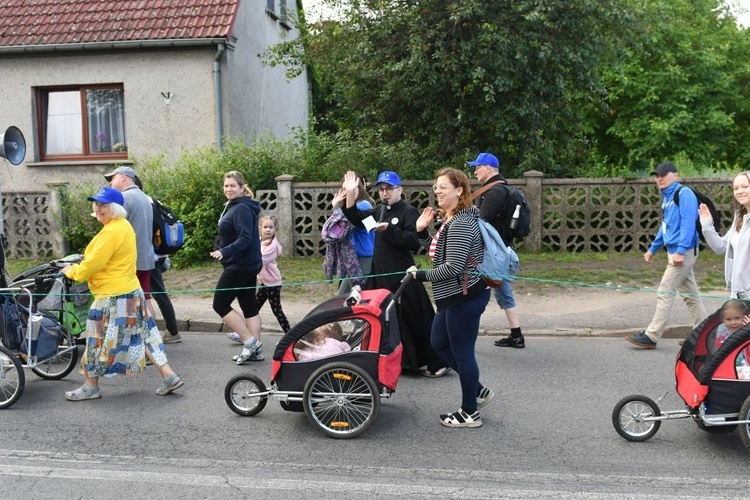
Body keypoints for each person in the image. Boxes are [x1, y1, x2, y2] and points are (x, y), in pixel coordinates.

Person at [61, 187, 184, 400]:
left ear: (115, 208)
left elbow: (91, 265)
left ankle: (90, 386)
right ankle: (169, 374)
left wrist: (71, 271)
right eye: (96, 204)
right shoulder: (124, 226)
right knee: (145, 334)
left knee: (95, 339)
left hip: (110, 296)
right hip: (130, 290)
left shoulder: (109, 233)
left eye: (104, 205)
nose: (98, 208)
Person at [341, 170, 449, 377]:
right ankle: (391, 361)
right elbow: (355, 218)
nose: (385, 193)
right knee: (380, 318)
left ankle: (436, 361)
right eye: (381, 190)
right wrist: (351, 194)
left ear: (400, 189)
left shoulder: (408, 211)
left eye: (389, 189)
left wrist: (388, 230)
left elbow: (413, 241)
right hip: (380, 275)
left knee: (413, 317)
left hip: (402, 274)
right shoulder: (379, 211)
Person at [409, 168, 493, 428]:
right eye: (436, 186)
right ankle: (477, 390)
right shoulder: (453, 220)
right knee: (438, 343)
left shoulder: (461, 222)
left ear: (460, 190)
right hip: (453, 296)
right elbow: (440, 252)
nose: (437, 190)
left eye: (443, 186)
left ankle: (470, 412)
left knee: (463, 353)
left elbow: (453, 267)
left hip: (464, 297)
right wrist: (422, 232)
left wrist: (419, 276)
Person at [627, 162, 707, 349]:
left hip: (684, 251)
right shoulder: (668, 197)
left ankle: (651, 336)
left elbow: (688, 223)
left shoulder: (684, 194)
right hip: (677, 252)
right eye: (657, 175)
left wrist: (680, 251)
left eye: (664, 174)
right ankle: (703, 337)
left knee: (665, 290)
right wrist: (652, 249)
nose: (659, 178)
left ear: (676, 175)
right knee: (690, 295)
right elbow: (666, 227)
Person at [468, 152, 525, 348]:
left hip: (492, 251)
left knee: (481, 290)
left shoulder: (495, 192)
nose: (475, 171)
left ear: (488, 168)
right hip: (499, 247)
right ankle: (516, 334)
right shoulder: (498, 189)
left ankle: (467, 334)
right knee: (501, 290)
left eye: (477, 167)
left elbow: (482, 221)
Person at [211, 171, 264, 365]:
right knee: (249, 306)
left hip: (240, 265)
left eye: (233, 186)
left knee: (220, 304)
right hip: (247, 264)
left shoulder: (241, 207)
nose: (228, 189)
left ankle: (249, 341)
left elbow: (245, 238)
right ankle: (256, 350)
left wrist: (225, 251)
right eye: (226, 186)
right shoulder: (237, 206)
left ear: (242, 188)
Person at [132, 175, 181, 344]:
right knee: (156, 294)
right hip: (156, 254)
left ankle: (173, 332)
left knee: (157, 295)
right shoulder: (151, 201)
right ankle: (170, 331)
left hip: (149, 256)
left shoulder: (142, 203)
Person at [699, 171, 750, 300]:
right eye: (736, 188)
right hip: (738, 294)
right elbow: (720, 248)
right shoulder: (740, 217)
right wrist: (707, 225)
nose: (739, 191)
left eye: (745, 186)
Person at [331, 173, 375, 295]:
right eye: (345, 189)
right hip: (355, 258)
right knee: (345, 297)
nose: (348, 191)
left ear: (359, 188)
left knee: (351, 297)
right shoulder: (359, 206)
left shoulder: (364, 205)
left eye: (352, 188)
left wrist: (335, 208)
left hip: (364, 258)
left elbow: (344, 226)